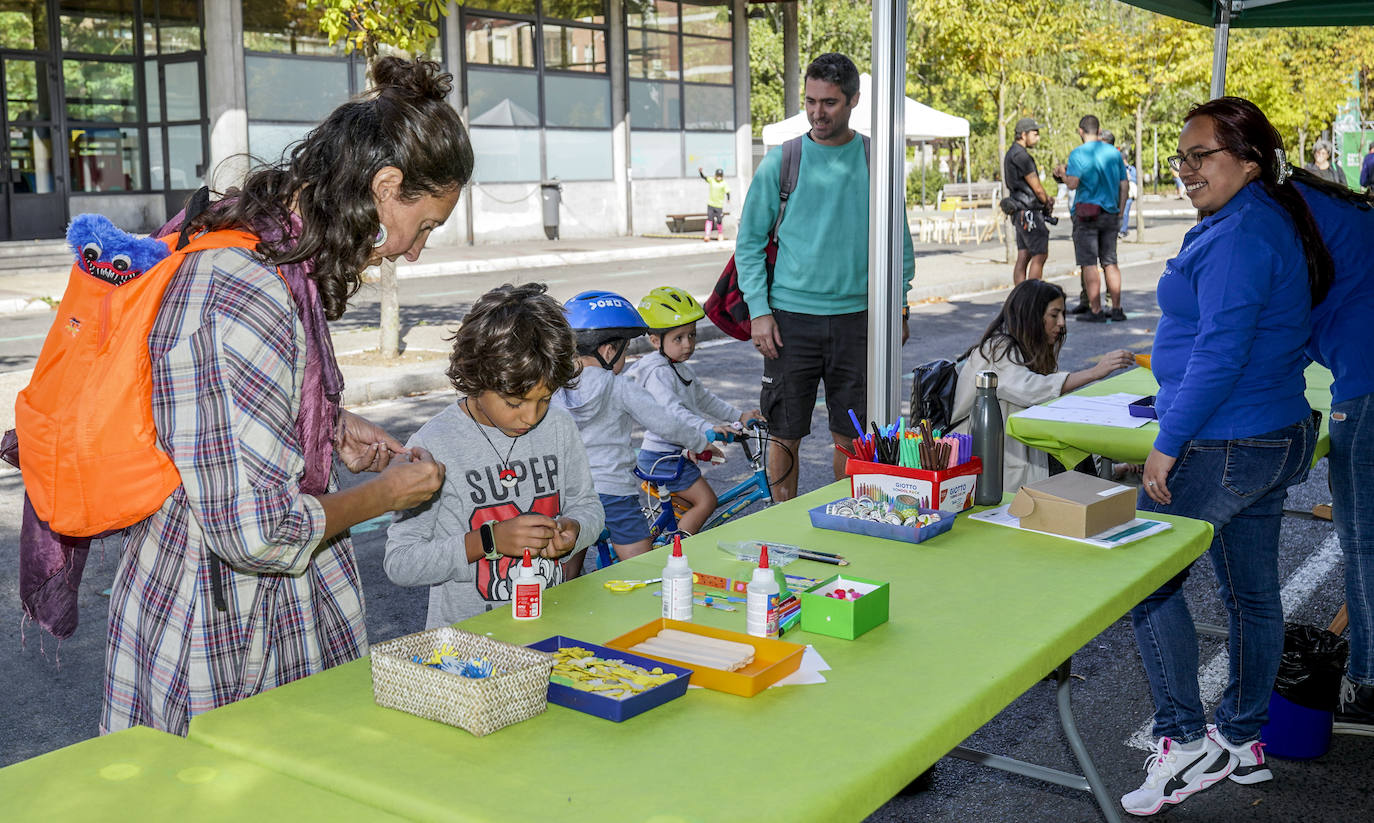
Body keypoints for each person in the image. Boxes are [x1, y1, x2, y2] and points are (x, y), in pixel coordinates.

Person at [100, 57, 461, 736]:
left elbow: (219, 408)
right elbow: (258, 532)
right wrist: (387, 494)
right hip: (221, 627)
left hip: (238, 605)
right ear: (386, 187)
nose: (414, 252)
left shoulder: (272, 256)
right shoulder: (248, 290)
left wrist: (325, 423)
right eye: (426, 225)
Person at [1122, 97, 1327, 816]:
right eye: (1180, 157)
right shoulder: (1254, 218)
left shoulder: (1242, 232)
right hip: (1266, 430)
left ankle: (1182, 739)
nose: (1185, 169)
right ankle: (1240, 737)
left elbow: (1220, 351)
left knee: (1143, 578)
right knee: (1251, 594)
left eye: (1200, 155)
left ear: (1248, 160)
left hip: (1228, 438)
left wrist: (1168, 442)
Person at [735, 52, 915, 501]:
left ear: (854, 100)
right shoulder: (783, 160)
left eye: (829, 102)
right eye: (810, 101)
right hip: (789, 321)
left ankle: (848, 518)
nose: (817, 112)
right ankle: (782, 524)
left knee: (853, 439)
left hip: (859, 320)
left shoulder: (877, 160)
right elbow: (749, 243)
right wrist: (759, 313)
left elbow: (899, 243)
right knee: (784, 435)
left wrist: (900, 307)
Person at [384, 283, 604, 627]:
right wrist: (488, 541)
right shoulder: (433, 446)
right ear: (476, 378)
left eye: (545, 399)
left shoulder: (559, 426)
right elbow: (401, 562)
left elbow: (588, 507)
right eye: (514, 403)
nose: (530, 417)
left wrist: (574, 529)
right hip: (468, 643)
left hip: (553, 628)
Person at [1287, 168, 1374, 735]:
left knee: (1363, 540)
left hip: (1366, 384)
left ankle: (1367, 684)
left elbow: (1276, 321)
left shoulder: (1279, 217)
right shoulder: (1346, 211)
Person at [554, 290, 720, 563]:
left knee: (567, 565)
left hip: (570, 492)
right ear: (608, 351)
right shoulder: (619, 386)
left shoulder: (558, 387)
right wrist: (702, 443)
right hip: (614, 492)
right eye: (625, 349)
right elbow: (666, 423)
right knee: (642, 567)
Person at [950, 280, 1133, 491]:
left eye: (1063, 314)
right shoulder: (997, 349)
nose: (1062, 323)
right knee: (1075, 474)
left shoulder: (1029, 351)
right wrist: (1094, 372)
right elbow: (1031, 389)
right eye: (1054, 315)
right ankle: (1103, 475)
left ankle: (1105, 471)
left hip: (1019, 456)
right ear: (1032, 316)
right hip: (992, 465)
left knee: (1076, 445)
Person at [626, 286, 761, 535]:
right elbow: (673, 412)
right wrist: (708, 429)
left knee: (691, 508)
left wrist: (738, 416)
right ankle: (678, 550)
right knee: (706, 501)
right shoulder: (658, 373)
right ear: (655, 340)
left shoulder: (679, 367)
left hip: (672, 455)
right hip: (662, 458)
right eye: (678, 338)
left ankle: (674, 538)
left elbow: (705, 399)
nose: (688, 344)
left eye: (692, 335)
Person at [1063, 115, 1129, 322]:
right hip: (1110, 213)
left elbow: (1073, 183)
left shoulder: (1078, 153)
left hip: (1087, 216)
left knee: (1089, 263)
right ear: (1099, 131)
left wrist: (1062, 175)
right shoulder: (1114, 153)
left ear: (1080, 131)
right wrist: (1120, 212)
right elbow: (1124, 185)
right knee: (1110, 262)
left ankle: (1096, 310)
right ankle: (1116, 309)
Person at [1003, 116, 1054, 285]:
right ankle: (1032, 292)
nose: (1037, 137)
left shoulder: (1011, 153)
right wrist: (1046, 201)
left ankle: (1019, 294)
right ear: (1023, 135)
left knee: (1024, 255)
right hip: (1029, 211)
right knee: (1040, 254)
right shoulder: (1022, 157)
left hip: (1018, 211)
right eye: (1035, 133)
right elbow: (1036, 187)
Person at [1103, 131, 1138, 240]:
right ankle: (1121, 229)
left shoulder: (1129, 168)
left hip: (1123, 198)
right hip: (1113, 204)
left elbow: (1125, 184)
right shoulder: (1113, 162)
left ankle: (1123, 230)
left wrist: (1120, 214)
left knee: (1125, 212)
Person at [698, 166, 730, 241]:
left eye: (720, 176)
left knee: (719, 220)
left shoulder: (724, 183)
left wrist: (728, 199)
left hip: (719, 205)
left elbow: (728, 192)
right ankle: (707, 235)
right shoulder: (712, 180)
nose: (719, 177)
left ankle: (720, 234)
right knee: (709, 219)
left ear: (722, 176)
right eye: (718, 175)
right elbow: (704, 177)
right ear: (715, 175)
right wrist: (700, 172)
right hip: (711, 204)